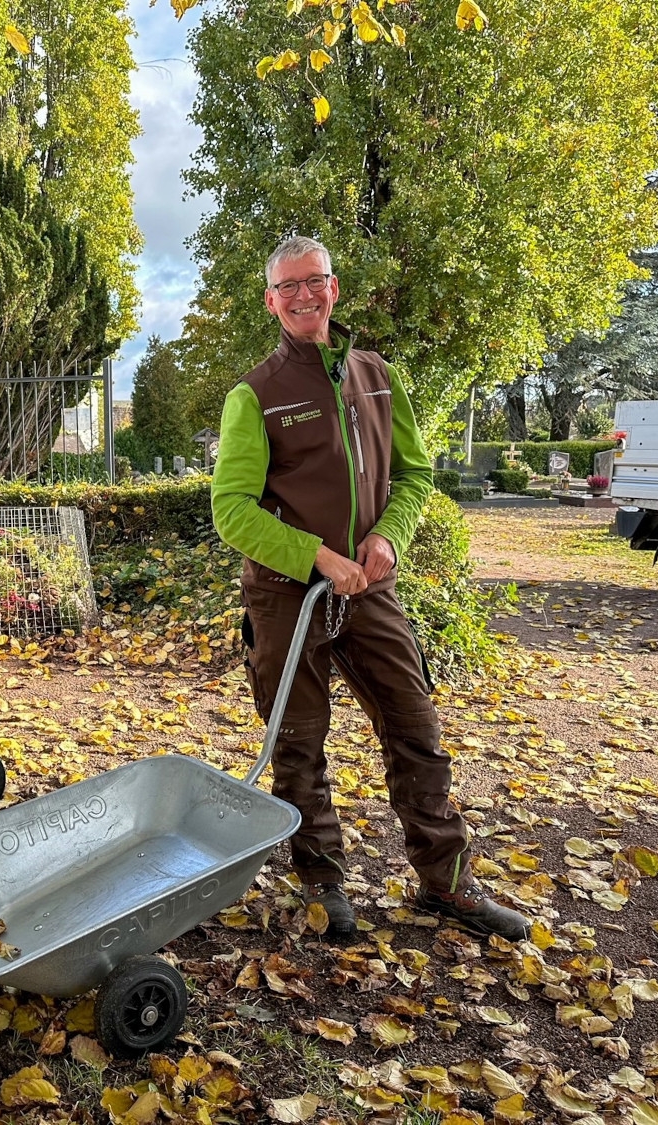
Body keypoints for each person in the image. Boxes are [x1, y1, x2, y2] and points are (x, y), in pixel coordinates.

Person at [210, 235, 530, 942]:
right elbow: (231, 508)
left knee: (417, 728)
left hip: (371, 589)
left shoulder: (379, 376)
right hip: (286, 595)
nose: (302, 296)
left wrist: (388, 536)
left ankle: (446, 883)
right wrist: (316, 557)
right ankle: (323, 883)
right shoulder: (255, 395)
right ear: (271, 301)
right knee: (299, 742)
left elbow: (414, 475)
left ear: (334, 289)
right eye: (287, 286)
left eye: (313, 282)